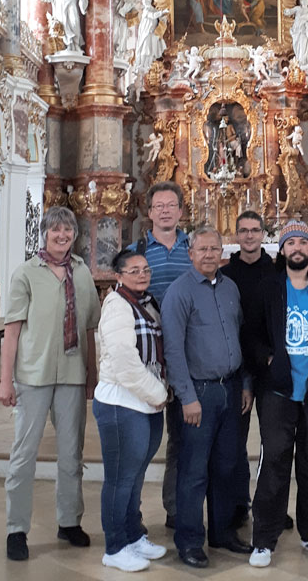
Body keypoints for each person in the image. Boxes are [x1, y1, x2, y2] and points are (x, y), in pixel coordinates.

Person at [0, 206, 101, 562]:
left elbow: (89, 328)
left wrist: (92, 374)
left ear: (74, 235)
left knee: (71, 454)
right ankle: (16, 529)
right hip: (33, 375)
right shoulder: (27, 273)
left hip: (72, 376)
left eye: (68, 231)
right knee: (24, 454)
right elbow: (11, 333)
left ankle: (69, 521)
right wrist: (4, 383)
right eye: (56, 230)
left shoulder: (83, 272)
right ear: (45, 233)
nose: (62, 236)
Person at [247, 220, 308, 568]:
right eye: (291, 243)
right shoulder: (268, 287)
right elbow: (253, 335)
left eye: (303, 243)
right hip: (278, 391)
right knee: (274, 462)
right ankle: (263, 540)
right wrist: (269, 359)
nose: (297, 249)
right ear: (283, 250)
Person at [160, 224, 253, 568]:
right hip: (199, 392)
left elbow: (238, 336)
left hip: (230, 388)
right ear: (191, 254)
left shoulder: (230, 288)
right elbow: (173, 349)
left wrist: (245, 382)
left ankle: (222, 532)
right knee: (194, 470)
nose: (210, 255)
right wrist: (186, 397)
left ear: (222, 253)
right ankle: (188, 540)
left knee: (226, 465)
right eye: (203, 250)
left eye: (215, 249)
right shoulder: (179, 292)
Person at [93, 250, 168, 572]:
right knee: (120, 479)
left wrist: (156, 395)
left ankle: (133, 534)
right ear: (119, 275)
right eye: (134, 270)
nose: (142, 274)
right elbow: (124, 361)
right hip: (121, 402)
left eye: (146, 269)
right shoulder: (116, 306)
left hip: (146, 402)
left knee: (135, 476)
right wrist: (158, 393)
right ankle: (114, 546)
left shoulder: (145, 301)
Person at [127, 181, 191, 530]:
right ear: (149, 212)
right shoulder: (135, 251)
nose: (165, 211)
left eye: (171, 205)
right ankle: (130, 516)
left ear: (181, 211)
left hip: (184, 358)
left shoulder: (194, 249)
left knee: (180, 441)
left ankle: (176, 510)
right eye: (158, 206)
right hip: (146, 359)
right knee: (140, 441)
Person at [223, 211, 276, 530]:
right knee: (235, 441)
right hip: (238, 368)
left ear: (263, 233)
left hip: (271, 366)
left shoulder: (276, 269)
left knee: (273, 442)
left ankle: (271, 506)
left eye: (255, 230)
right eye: (243, 230)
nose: (249, 236)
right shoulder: (227, 274)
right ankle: (238, 503)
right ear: (237, 234)